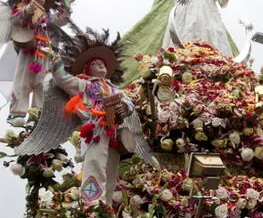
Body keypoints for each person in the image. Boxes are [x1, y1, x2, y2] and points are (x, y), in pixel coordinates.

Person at [14, 27, 158, 205]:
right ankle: (91, 206)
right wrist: (53, 56)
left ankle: (105, 207)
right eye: (96, 64)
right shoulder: (83, 84)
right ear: (86, 68)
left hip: (114, 133)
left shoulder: (113, 88)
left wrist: (125, 109)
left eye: (103, 64)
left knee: (111, 169)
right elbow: (61, 78)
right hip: (95, 130)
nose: (101, 65)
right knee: (95, 164)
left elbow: (128, 103)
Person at [0, 0, 76, 127]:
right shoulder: (20, 9)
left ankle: (37, 114)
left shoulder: (46, 18)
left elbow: (60, 20)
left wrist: (67, 4)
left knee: (42, 83)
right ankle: (17, 113)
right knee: (23, 80)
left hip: (45, 53)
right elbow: (17, 19)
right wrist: (27, 11)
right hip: (28, 51)